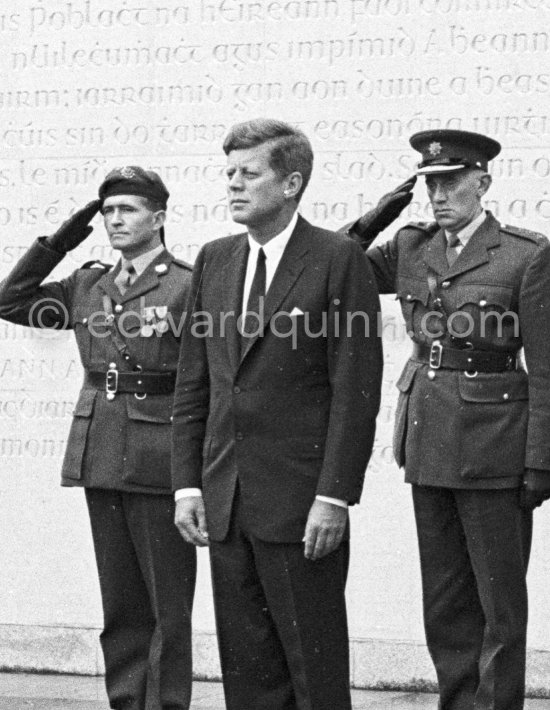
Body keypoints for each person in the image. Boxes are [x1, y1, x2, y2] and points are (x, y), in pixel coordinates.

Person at [171, 118, 383, 710]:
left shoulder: (337, 259)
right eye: (229, 173)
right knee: (249, 675)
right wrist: (188, 484)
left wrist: (334, 497)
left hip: (301, 505)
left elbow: (355, 391)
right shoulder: (214, 259)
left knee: (312, 672)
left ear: (291, 183)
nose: (234, 185)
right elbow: (196, 385)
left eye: (250, 173)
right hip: (227, 500)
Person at [348, 129, 550, 710]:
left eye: (451, 181)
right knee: (444, 603)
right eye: (429, 183)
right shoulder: (411, 247)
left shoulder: (524, 254)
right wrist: (374, 219)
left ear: (482, 183)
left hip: (495, 447)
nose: (438, 194)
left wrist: (541, 458)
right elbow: (328, 268)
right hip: (429, 437)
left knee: (498, 606)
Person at [0, 167, 196, 710]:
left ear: (157, 218)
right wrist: (61, 240)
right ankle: (127, 701)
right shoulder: (88, 285)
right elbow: (11, 301)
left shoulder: (187, 282)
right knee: (121, 601)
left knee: (166, 604)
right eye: (108, 211)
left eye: (127, 210)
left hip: (161, 453)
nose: (115, 220)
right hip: (101, 448)